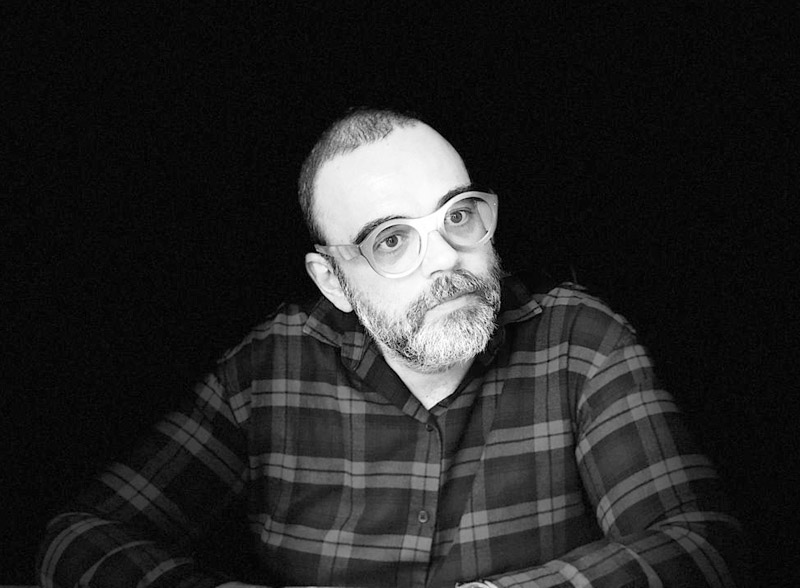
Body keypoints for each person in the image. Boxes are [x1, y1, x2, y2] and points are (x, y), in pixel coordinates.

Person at [37, 109, 747, 587]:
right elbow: (78, 538)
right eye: (393, 239)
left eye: (459, 215)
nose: (448, 260)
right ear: (334, 280)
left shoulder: (579, 340)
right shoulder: (268, 372)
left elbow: (702, 541)